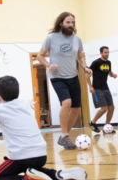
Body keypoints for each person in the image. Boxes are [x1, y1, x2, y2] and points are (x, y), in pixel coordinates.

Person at [37, 12, 92, 150]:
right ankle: (64, 134)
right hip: (57, 77)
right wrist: (48, 65)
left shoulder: (77, 39)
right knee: (67, 102)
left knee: (76, 109)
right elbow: (40, 56)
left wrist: (85, 67)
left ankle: (64, 136)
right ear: (61, 23)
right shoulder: (51, 38)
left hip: (73, 76)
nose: (71, 25)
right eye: (68, 22)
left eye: (73, 22)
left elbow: (80, 57)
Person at [86, 46, 117, 133]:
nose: (107, 54)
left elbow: (109, 72)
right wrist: (90, 86)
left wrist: (113, 75)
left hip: (105, 88)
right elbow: (87, 74)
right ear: (101, 53)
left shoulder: (108, 63)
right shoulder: (96, 62)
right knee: (104, 108)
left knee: (111, 107)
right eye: (105, 52)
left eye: (108, 52)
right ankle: (92, 123)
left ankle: (106, 127)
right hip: (96, 88)